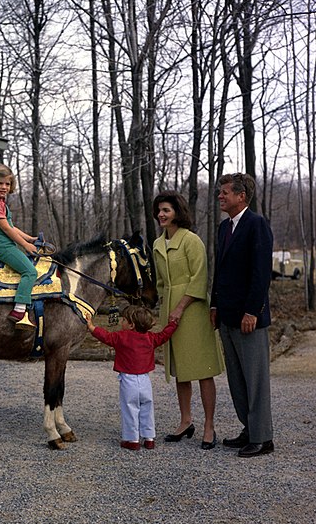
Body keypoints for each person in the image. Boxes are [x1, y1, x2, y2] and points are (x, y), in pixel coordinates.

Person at [152, 190, 225, 450]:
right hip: (169, 310)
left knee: (202, 370)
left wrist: (181, 307)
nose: (161, 214)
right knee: (181, 370)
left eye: (166, 210)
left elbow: (199, 278)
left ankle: (209, 426)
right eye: (159, 210)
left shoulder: (191, 240)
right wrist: (165, 309)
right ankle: (185, 421)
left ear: (177, 213)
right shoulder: (158, 244)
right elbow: (160, 283)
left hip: (192, 310)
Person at [210, 172, 275, 458]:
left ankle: (263, 439)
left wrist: (252, 311)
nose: (220, 196)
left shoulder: (256, 224)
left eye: (225, 192)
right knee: (237, 379)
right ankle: (249, 430)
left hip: (249, 318)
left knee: (255, 379)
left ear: (241, 196)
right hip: (226, 316)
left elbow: (261, 274)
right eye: (220, 192)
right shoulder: (224, 228)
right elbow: (220, 272)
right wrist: (214, 306)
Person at [86, 306, 178, 451]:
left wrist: (91, 326)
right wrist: (173, 325)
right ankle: (149, 438)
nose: (121, 322)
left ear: (131, 324)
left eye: (124, 320)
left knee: (130, 408)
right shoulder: (151, 338)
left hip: (128, 379)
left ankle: (132, 439)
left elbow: (106, 337)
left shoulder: (121, 337)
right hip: (145, 380)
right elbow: (164, 336)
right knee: (147, 407)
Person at [0, 164, 38, 329]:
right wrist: (26, 245)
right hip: (2, 246)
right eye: (0, 183)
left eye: (7, 184)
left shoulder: (0, 203)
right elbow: (6, 229)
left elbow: (11, 227)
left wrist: (30, 238)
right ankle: (19, 310)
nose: (4, 187)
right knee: (30, 271)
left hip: (6, 242)